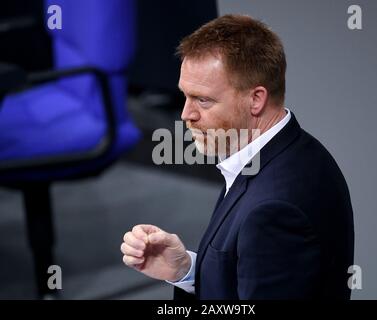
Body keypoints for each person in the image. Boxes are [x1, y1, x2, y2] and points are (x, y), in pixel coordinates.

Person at [121, 14, 354, 300]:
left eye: (203, 100)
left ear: (256, 99)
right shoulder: (296, 152)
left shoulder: (273, 211)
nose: (186, 115)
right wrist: (187, 270)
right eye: (185, 96)